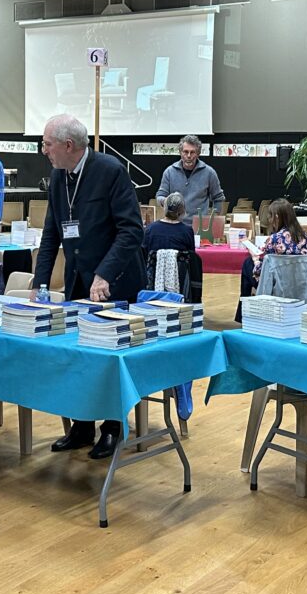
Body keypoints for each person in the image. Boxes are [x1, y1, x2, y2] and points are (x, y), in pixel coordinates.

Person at [33, 114, 145, 459]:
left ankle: (112, 428)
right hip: (79, 282)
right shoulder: (57, 176)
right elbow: (52, 231)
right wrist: (39, 281)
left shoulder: (110, 170)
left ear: (69, 145)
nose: (43, 150)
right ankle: (81, 426)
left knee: (109, 359)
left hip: (115, 283)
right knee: (79, 357)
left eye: (47, 143)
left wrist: (105, 274)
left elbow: (131, 231)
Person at [155, 134, 225, 225]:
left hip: (199, 227)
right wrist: (167, 201)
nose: (188, 156)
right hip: (175, 225)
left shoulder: (209, 173)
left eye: (192, 152)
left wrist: (213, 220)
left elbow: (218, 198)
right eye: (185, 152)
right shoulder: (169, 172)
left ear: (198, 153)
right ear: (180, 152)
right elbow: (160, 195)